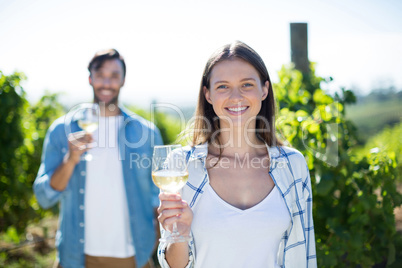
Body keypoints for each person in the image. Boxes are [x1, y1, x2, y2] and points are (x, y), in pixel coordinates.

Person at [157, 41, 317, 268]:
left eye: (246, 85)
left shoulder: (293, 165)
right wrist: (179, 234)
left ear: (264, 90)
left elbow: (305, 254)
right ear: (208, 94)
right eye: (222, 86)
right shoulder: (180, 166)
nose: (236, 97)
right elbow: (172, 265)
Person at [34, 49, 162, 268]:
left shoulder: (146, 133)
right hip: (76, 255)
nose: (106, 83)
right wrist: (71, 160)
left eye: (114, 76)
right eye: (100, 74)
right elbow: (44, 196)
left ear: (123, 80)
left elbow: (157, 195)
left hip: (133, 255)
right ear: (90, 78)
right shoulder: (62, 130)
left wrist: (160, 243)